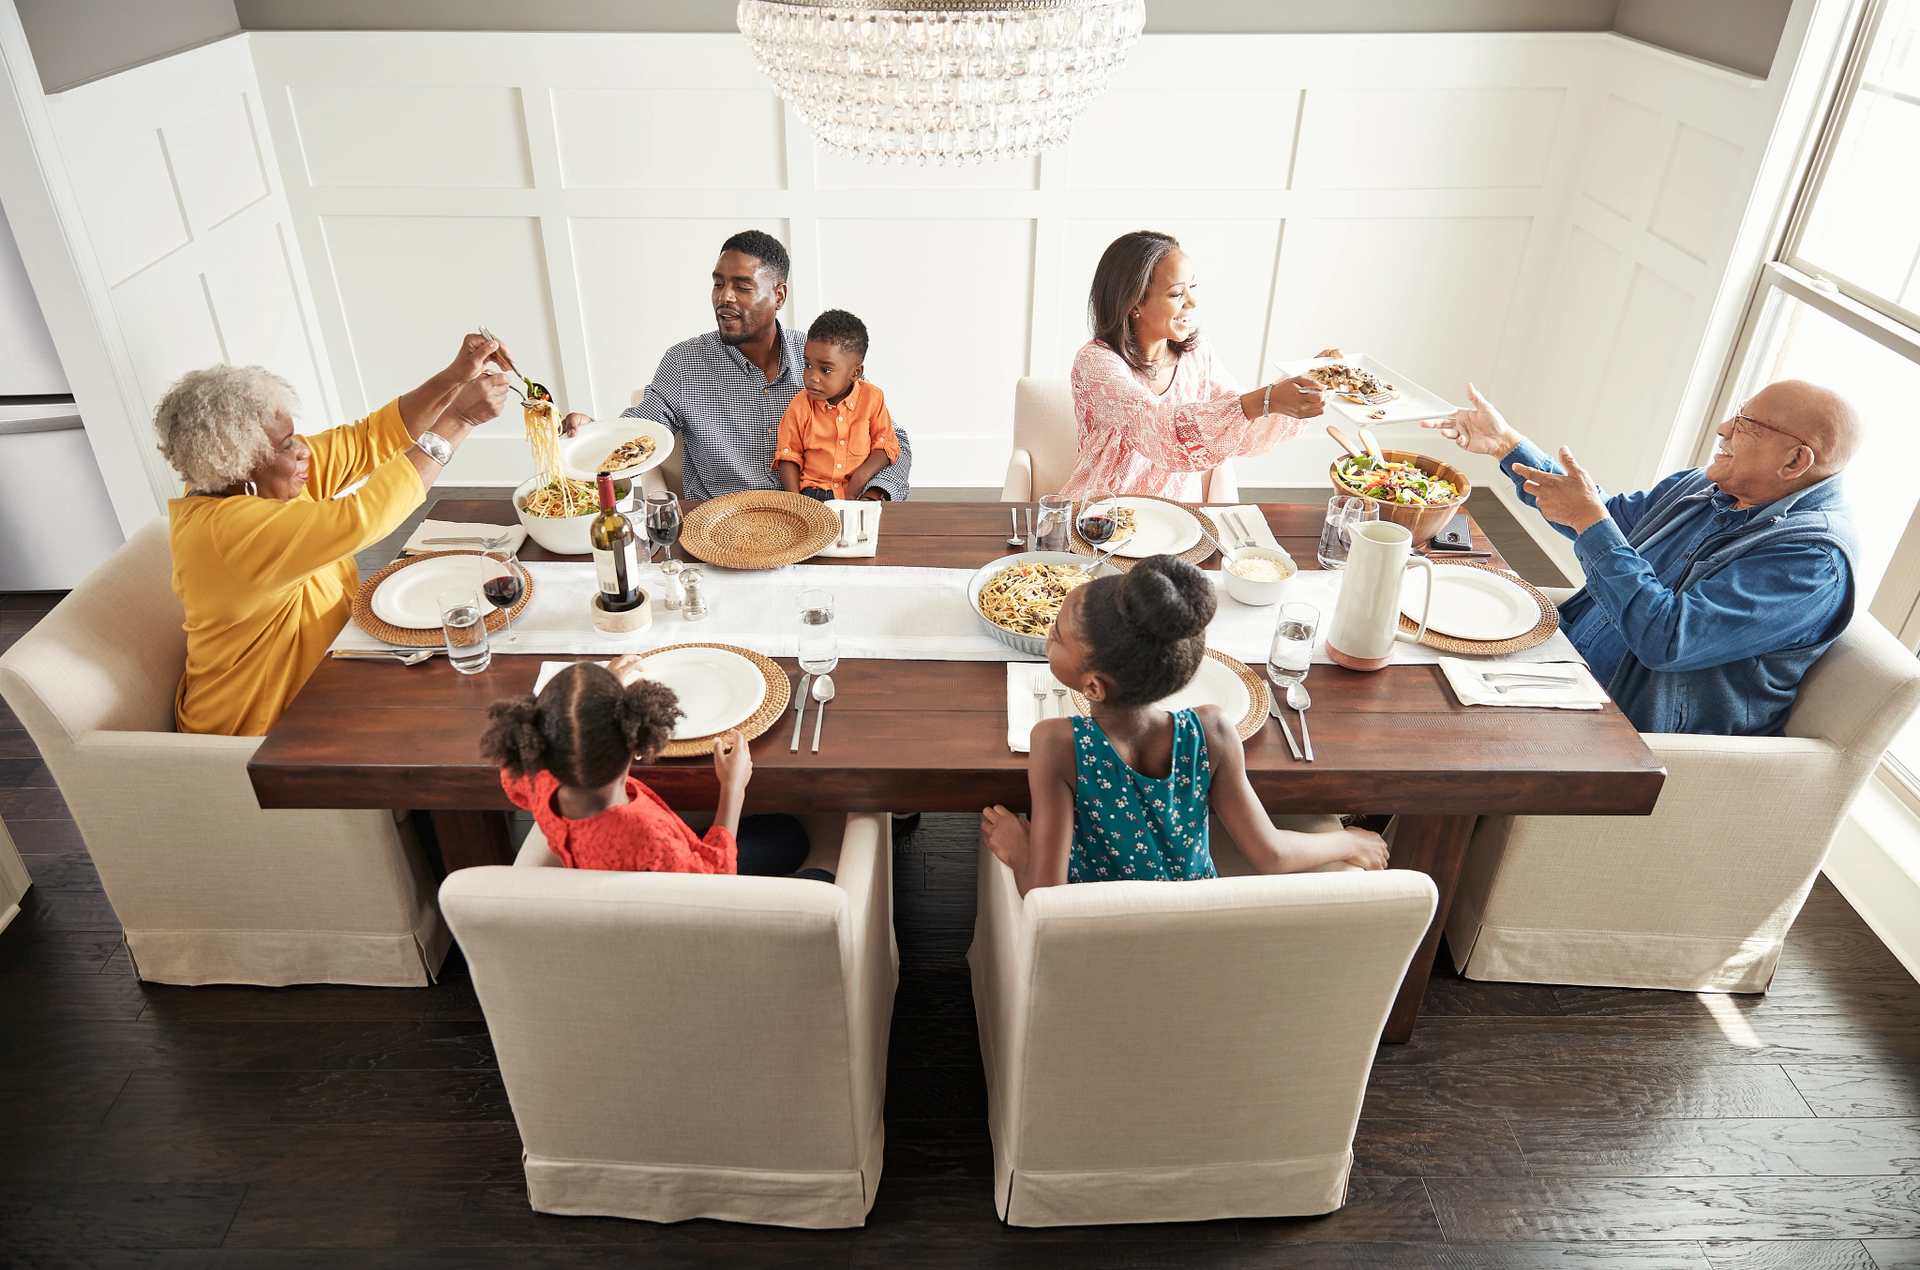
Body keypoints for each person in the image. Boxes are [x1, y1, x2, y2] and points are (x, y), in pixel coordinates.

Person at [1423, 381, 1861, 736]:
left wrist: (1590, 521)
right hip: (1560, 667)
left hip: (1623, 726)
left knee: (1436, 721)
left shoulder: (1812, 561)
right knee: (1415, 660)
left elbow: (1667, 640)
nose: (1724, 428)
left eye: (1748, 424)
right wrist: (1505, 444)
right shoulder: (1708, 487)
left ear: (1795, 461)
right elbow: (1610, 521)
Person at [158, 334, 515, 736]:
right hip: (261, 728)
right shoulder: (231, 531)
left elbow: (369, 438)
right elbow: (364, 517)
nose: (304, 451)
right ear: (237, 463)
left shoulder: (261, 479)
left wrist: (453, 378)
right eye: (286, 445)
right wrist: (458, 420)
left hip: (333, 670)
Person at [978, 555, 1388, 895]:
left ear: (1093, 687)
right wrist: (1350, 840)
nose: (1048, 633)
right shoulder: (1213, 730)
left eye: (1056, 635)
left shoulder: (1056, 743)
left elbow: (1044, 894)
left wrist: (1019, 851)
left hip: (1098, 938)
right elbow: (1272, 855)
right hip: (1196, 936)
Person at [559, 230, 912, 501]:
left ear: (778, 296)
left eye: (742, 286)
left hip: (817, 519)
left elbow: (896, 441)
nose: (724, 297)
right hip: (721, 529)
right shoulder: (684, 363)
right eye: (718, 283)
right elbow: (642, 431)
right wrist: (595, 431)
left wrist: (871, 496)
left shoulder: (824, 357)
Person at [481, 657, 838, 881]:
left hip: (638, 878)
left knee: (789, 834)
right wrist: (733, 787)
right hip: (694, 900)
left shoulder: (536, 774)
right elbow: (714, 879)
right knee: (818, 875)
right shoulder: (644, 834)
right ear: (637, 742)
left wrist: (592, 703)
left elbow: (521, 765)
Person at [1059, 230, 1335, 502]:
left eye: (1192, 287)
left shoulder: (1198, 355)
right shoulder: (1095, 364)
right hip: (1098, 519)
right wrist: (1264, 399)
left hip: (1175, 523)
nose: (1193, 302)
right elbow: (1160, 434)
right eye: (1176, 293)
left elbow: (1241, 432)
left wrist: (1312, 379)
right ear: (1134, 303)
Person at [773, 309, 900, 503]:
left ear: (855, 373)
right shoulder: (801, 404)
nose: (812, 377)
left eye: (825, 370)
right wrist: (796, 503)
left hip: (858, 494)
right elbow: (789, 455)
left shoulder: (872, 398)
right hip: (813, 495)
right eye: (807, 365)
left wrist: (861, 477)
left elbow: (886, 445)